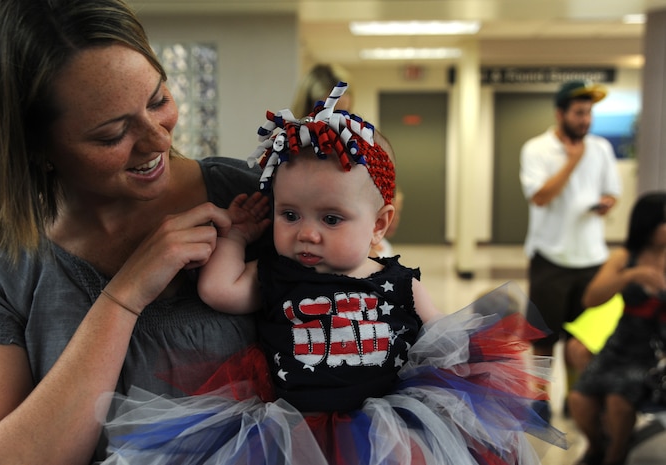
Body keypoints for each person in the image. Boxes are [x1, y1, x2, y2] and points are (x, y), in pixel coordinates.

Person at [100, 83, 566, 465]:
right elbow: (219, 290)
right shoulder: (275, 274)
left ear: (378, 225)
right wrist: (238, 239)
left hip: (388, 425)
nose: (307, 234)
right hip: (292, 428)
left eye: (331, 219)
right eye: (289, 215)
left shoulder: (398, 281)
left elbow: (445, 338)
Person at [0, 1, 271, 464]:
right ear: (33, 147)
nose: (158, 141)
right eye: (112, 134)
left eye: (158, 101)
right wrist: (124, 295)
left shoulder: (260, 202)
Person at [519, 79, 622, 420]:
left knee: (580, 339)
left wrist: (607, 203)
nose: (585, 120)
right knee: (544, 337)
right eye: (579, 113)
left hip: (592, 259)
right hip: (550, 257)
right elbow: (540, 196)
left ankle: (574, 397)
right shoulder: (537, 149)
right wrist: (572, 161)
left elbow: (612, 191)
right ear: (560, 113)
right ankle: (541, 398)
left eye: (589, 113)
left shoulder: (602, 148)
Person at [568, 192, 666, 465]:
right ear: (649, 225)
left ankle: (616, 455)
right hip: (623, 341)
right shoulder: (626, 257)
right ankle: (598, 447)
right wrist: (630, 276)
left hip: (656, 349)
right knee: (579, 399)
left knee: (618, 402)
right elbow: (591, 298)